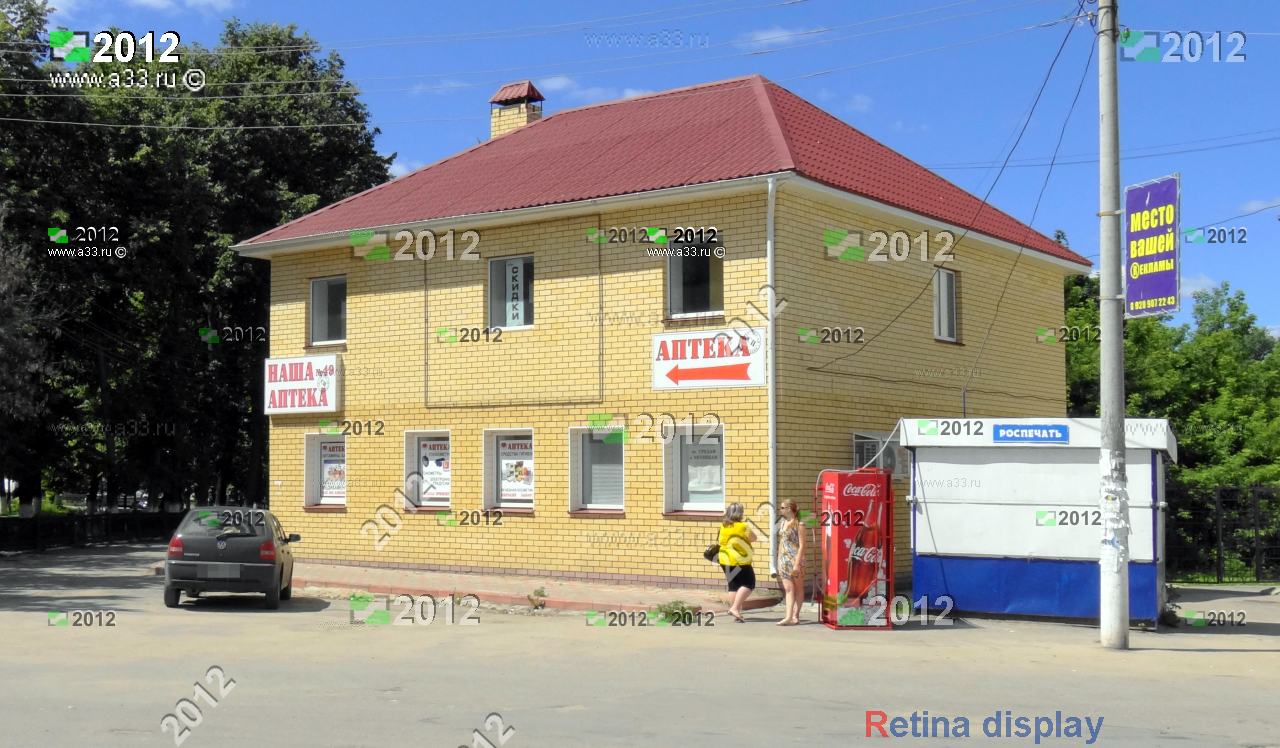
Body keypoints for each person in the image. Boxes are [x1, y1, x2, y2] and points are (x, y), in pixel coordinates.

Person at [717, 502, 756, 622]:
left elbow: (720, 541)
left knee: (733, 586)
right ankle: (734, 608)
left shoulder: (723, 526)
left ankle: (736, 612)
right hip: (740, 560)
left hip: (725, 559)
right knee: (749, 584)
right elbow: (753, 538)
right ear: (740, 513)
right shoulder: (743, 526)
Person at [774, 499, 805, 625]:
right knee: (788, 588)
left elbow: (802, 545)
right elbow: (782, 542)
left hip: (795, 558)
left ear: (789, 509)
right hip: (784, 559)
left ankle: (795, 615)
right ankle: (788, 617)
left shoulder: (799, 523)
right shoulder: (782, 522)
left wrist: (797, 564)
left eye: (782, 507)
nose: (780, 510)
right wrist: (778, 559)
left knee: (798, 587)